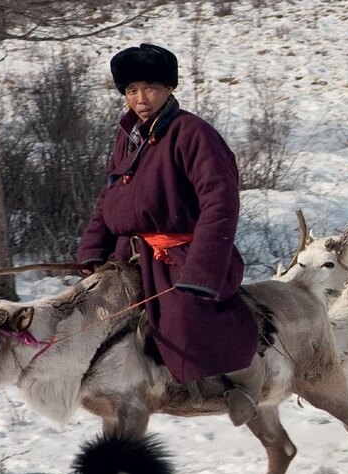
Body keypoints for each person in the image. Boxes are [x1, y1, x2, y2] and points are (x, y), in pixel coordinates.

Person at [77, 43, 262, 425]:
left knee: (182, 314)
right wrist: (93, 248)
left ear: (169, 88)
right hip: (131, 252)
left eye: (150, 88)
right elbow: (109, 195)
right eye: (131, 91)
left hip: (185, 254)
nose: (140, 99)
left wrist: (202, 270)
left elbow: (220, 203)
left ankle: (230, 385)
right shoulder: (129, 135)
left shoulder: (193, 133)